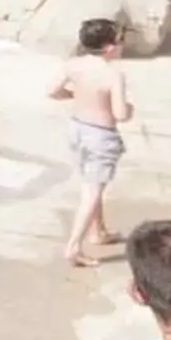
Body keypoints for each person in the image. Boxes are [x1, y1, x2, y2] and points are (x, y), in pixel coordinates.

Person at [49, 18, 133, 268]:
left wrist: (74, 94)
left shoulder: (73, 65)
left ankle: (99, 231)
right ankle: (74, 246)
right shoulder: (112, 75)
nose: (122, 46)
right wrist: (129, 109)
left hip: (77, 129)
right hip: (101, 136)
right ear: (108, 48)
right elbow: (120, 114)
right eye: (120, 41)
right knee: (93, 190)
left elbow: (52, 90)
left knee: (89, 180)